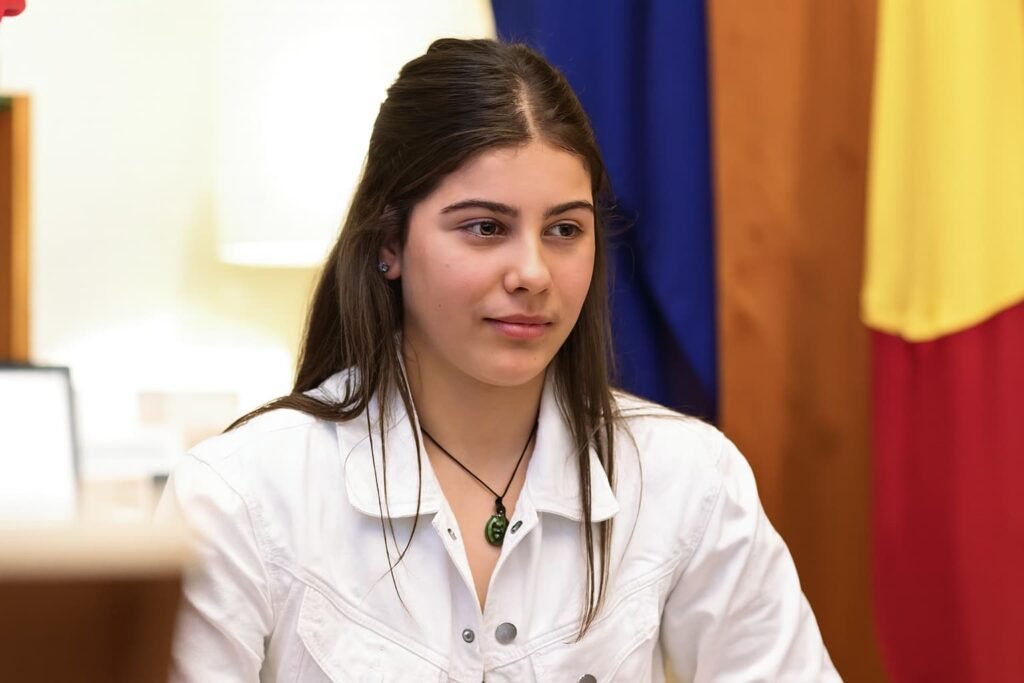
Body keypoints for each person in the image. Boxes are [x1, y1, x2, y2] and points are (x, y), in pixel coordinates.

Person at [158, 38, 840, 682]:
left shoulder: (689, 477)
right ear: (389, 243)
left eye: (565, 230)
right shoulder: (239, 493)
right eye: (485, 227)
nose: (533, 272)